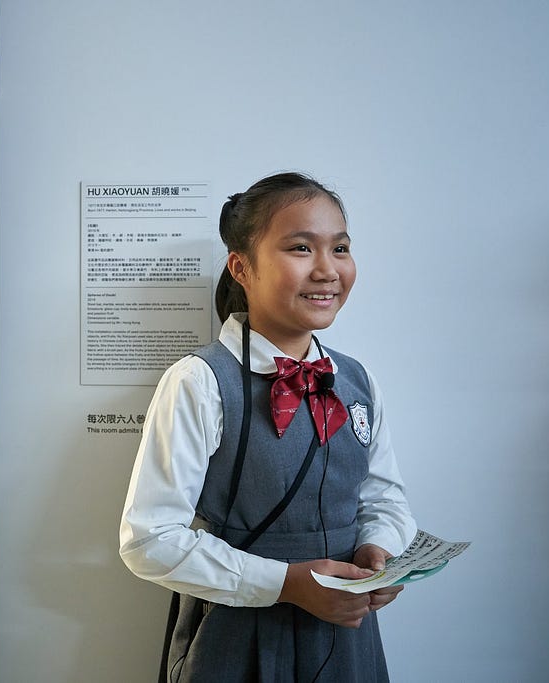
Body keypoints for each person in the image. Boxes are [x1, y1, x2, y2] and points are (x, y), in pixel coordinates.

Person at [119, 172, 417, 682]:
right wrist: (287, 583)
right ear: (242, 267)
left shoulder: (357, 379)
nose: (327, 269)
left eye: (340, 248)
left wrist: (379, 552)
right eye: (301, 248)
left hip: (348, 634)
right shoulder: (199, 381)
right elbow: (149, 539)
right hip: (241, 631)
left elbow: (384, 498)